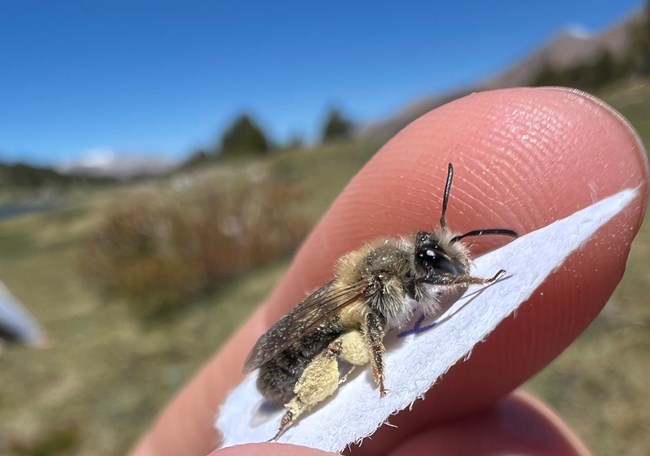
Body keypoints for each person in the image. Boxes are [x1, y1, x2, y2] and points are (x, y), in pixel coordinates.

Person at [131, 87, 649, 456]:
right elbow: (369, 321)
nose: (446, 265)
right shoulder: (382, 280)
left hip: (300, 339)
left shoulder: (401, 269)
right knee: (339, 345)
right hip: (286, 369)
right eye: (439, 264)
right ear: (411, 269)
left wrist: (471, 278)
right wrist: (378, 365)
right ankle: (292, 414)